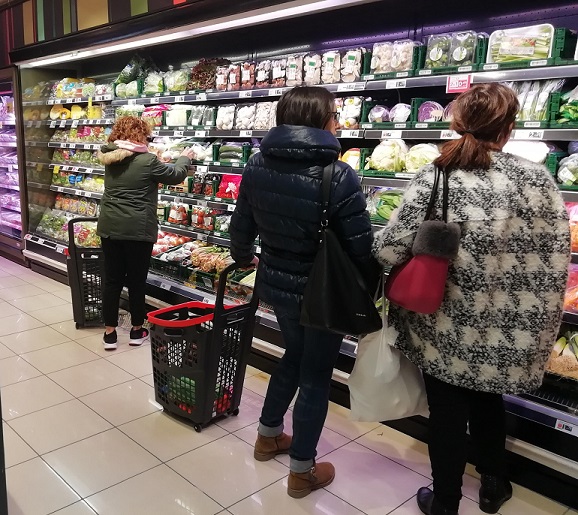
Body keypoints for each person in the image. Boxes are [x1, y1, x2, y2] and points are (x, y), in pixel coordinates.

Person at [373, 83, 570, 515]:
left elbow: (390, 249)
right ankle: (494, 485)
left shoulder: (438, 174)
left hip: (446, 322)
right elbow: (556, 256)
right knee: (488, 400)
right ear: (508, 128)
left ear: (457, 123)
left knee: (447, 413)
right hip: (510, 326)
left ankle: (445, 501)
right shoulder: (538, 179)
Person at [230, 86, 377, 498]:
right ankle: (301, 471)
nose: (338, 122)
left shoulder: (256, 164)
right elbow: (361, 247)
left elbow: (241, 226)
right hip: (323, 293)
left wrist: (243, 257)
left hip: (277, 285)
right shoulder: (339, 173)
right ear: (322, 120)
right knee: (315, 375)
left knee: (293, 357)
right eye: (334, 115)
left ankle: (267, 436)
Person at [97, 116, 194, 350]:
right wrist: (185, 158)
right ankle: (136, 330)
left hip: (110, 227)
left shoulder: (110, 157)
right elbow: (175, 175)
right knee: (136, 282)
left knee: (112, 280)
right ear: (140, 135)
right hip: (137, 229)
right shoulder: (147, 160)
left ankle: (110, 334)